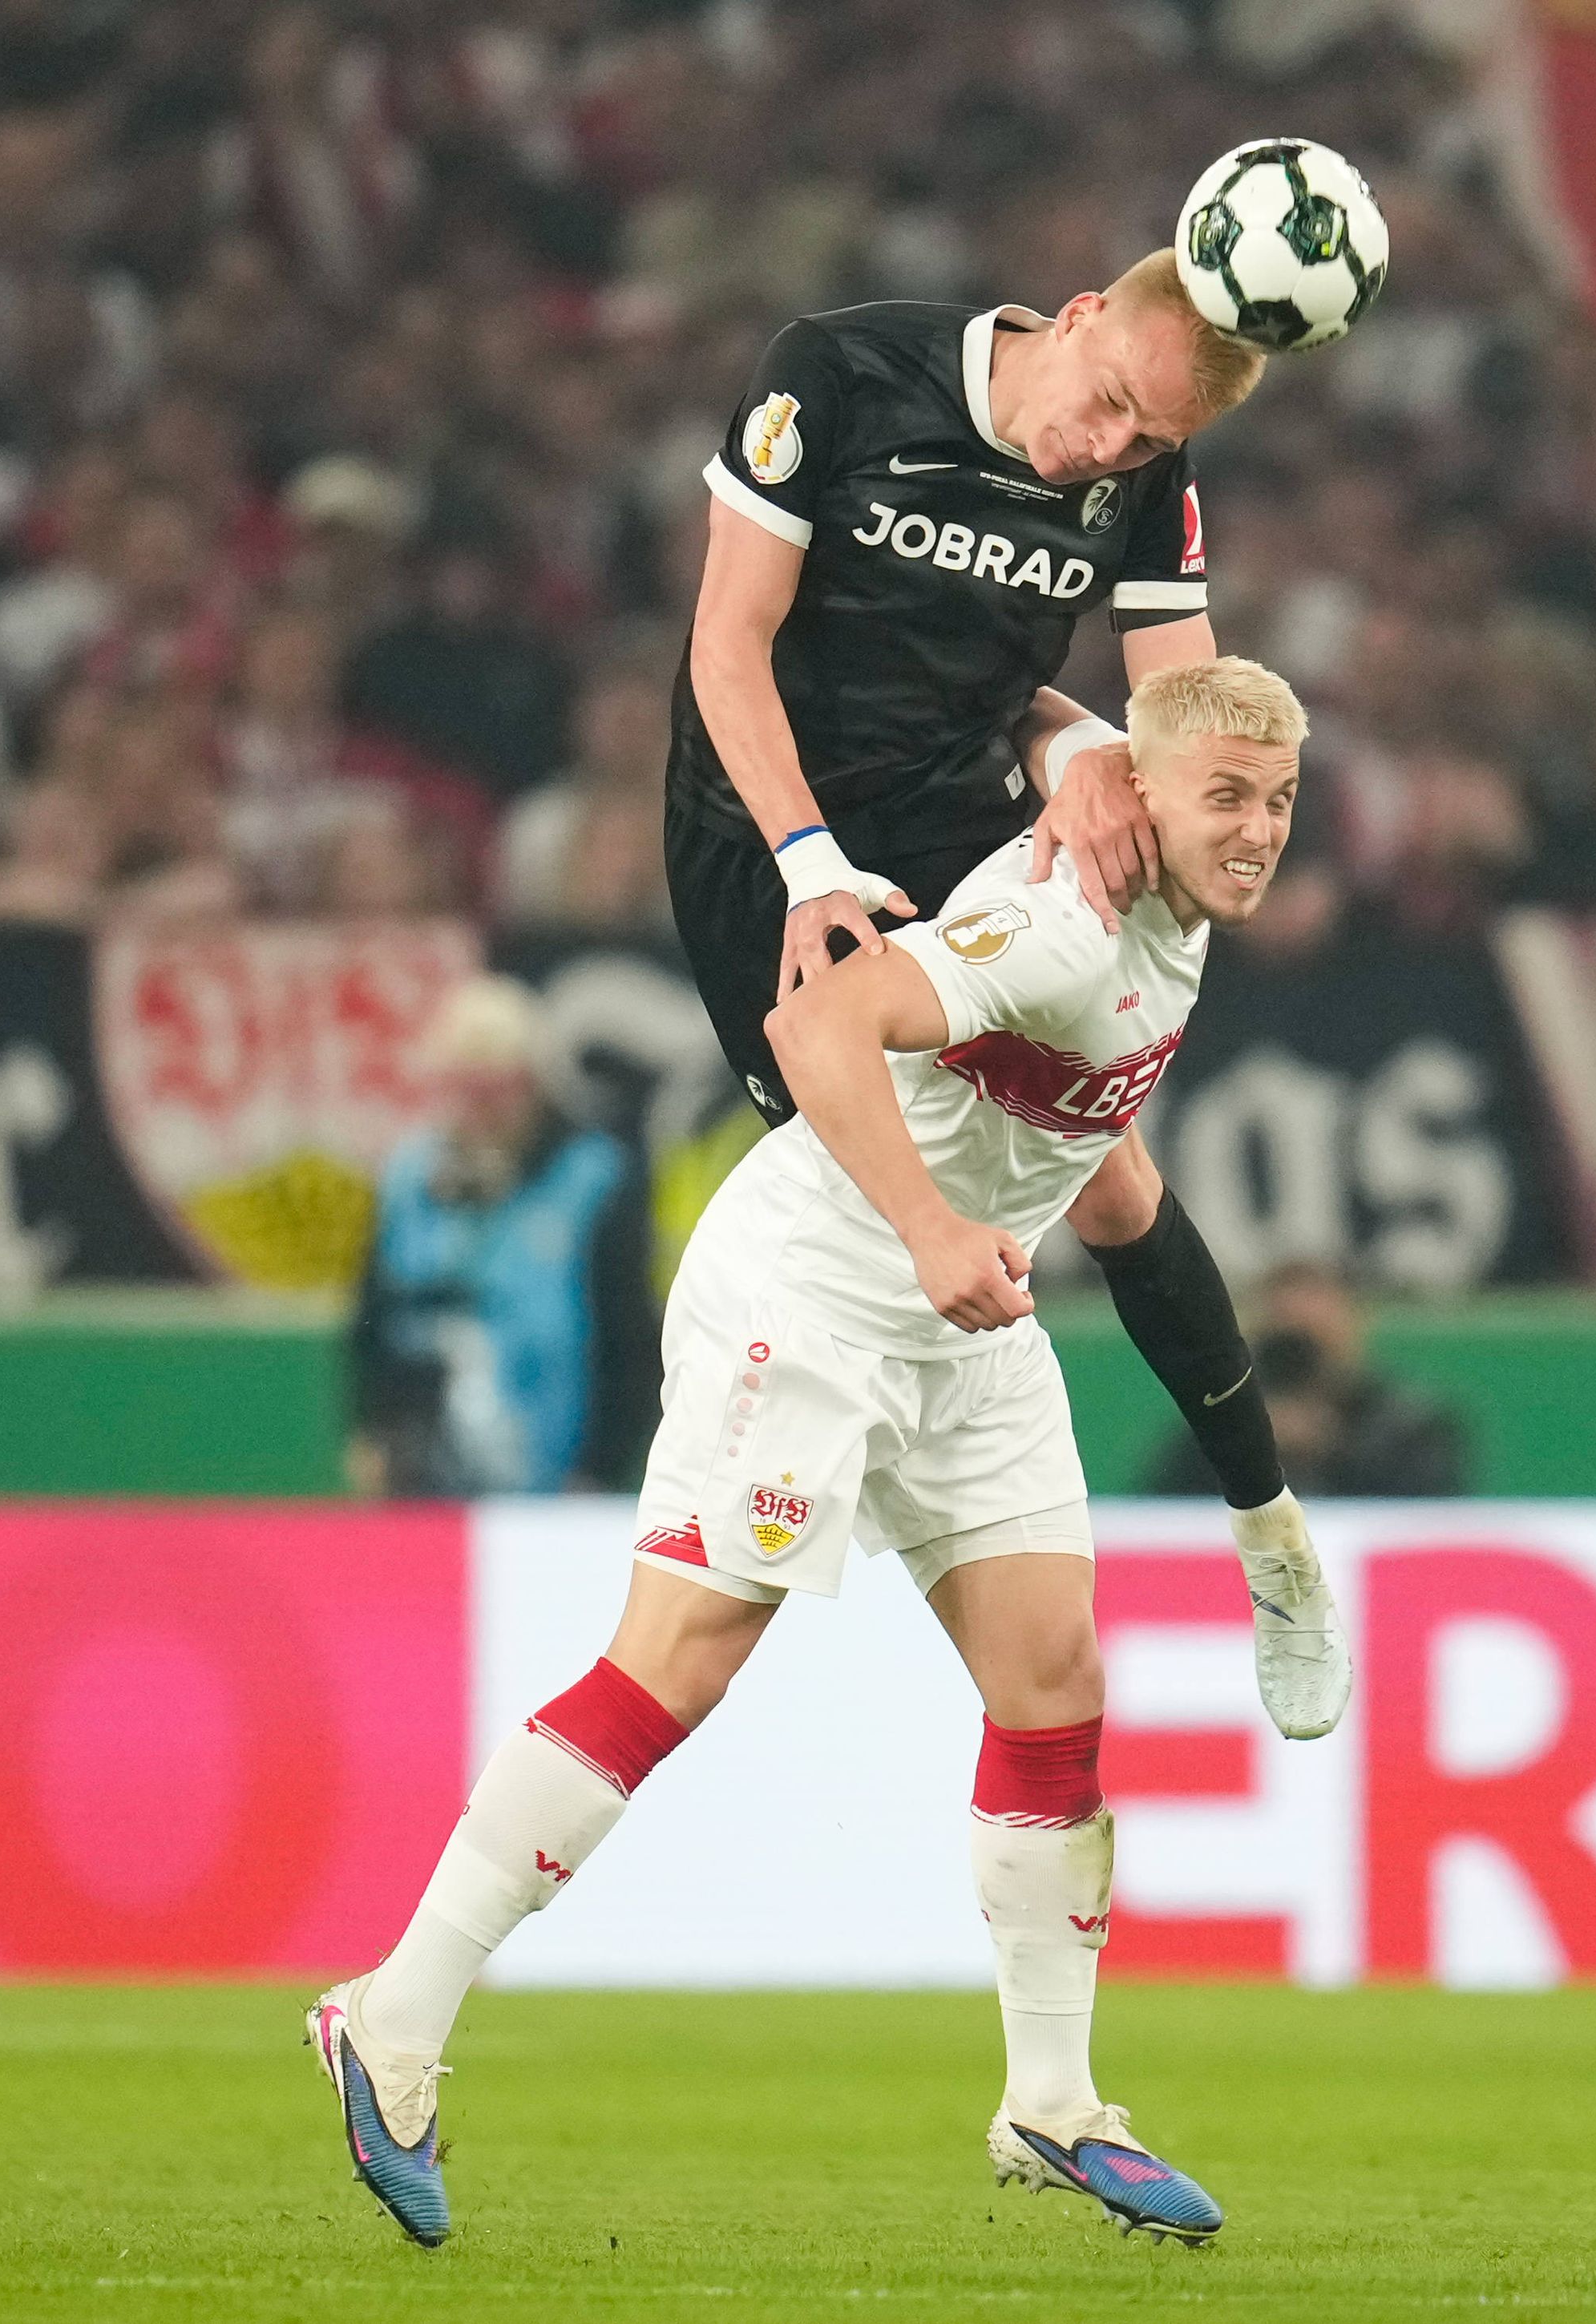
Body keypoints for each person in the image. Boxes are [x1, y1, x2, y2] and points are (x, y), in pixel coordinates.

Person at [313, 659, 1348, 2250]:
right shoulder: (1067, 919)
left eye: (1278, 801)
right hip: (819, 1283)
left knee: (1053, 1679)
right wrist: (934, 1228)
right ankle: (392, 2013)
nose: (1258, 830)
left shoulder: (1169, 935)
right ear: (1142, 798)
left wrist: (1257, 1504)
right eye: (1226, 797)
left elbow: (1125, 1205)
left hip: (964, 1310)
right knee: (677, 1665)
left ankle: (1052, 2103)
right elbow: (822, 1020)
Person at [666, 251, 1303, 1584]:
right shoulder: (839, 374)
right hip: (763, 830)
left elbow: (1178, 735)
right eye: (1111, 404)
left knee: (1109, 1166)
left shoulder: (1143, 468)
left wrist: (1098, 761)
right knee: (858, 1164)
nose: (1111, 448)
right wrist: (810, 863)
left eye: (1152, 437)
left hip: (959, 812)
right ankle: (735, 1508)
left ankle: (1268, 1519)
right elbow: (727, 644)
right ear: (1075, 320)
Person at [344, 975, 657, 1497]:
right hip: (422, 1486)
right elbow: (372, 1323)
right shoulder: (409, 1179)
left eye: (497, 1091)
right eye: (464, 1091)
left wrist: (599, 1472)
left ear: (533, 1086)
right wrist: (367, 1430)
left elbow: (632, 1344)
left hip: (555, 1490)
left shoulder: (590, 1182)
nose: (479, 1113)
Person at [1148, 1260, 1469, 1497]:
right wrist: (1251, 1447)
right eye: (1285, 1343)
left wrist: (1333, 1449)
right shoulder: (1215, 1428)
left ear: (1351, 1327)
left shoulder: (1407, 1428)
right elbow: (1174, 1517)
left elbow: (1425, 1518)